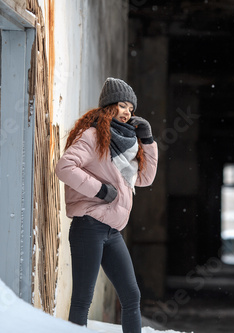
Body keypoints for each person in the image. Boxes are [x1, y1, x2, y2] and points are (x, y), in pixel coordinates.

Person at [55, 77, 158, 333]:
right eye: (122, 105)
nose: (127, 112)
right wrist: (101, 191)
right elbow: (65, 167)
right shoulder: (92, 136)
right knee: (82, 299)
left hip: (112, 231)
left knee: (131, 296)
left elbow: (144, 179)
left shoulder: (127, 143)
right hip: (88, 226)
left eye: (131, 109)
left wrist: (147, 141)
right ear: (109, 106)